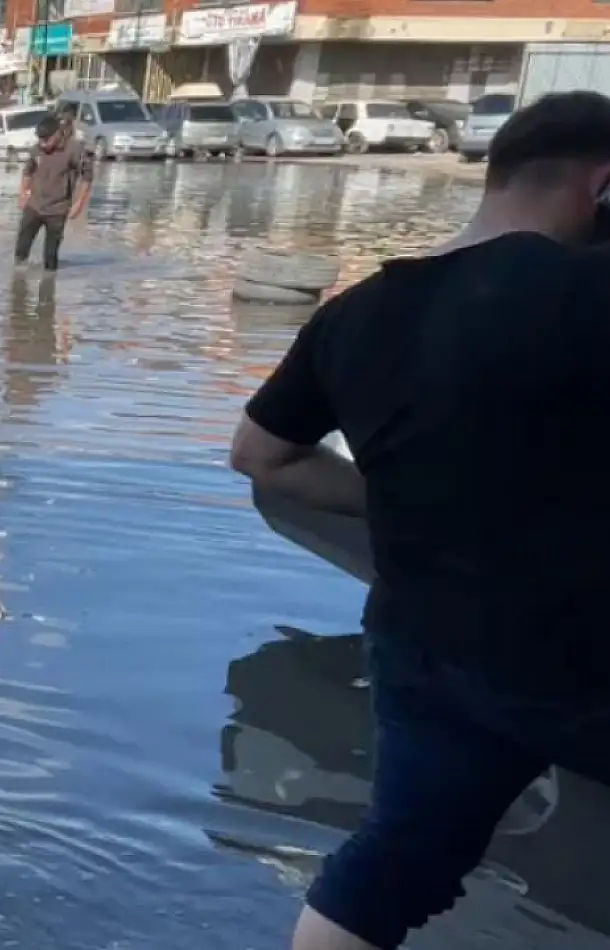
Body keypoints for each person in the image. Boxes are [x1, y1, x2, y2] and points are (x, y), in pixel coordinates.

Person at [228, 90, 610, 950]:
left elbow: (261, 454)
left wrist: (398, 492)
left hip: (427, 652)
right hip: (581, 659)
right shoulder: (589, 293)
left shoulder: (356, 313)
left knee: (395, 859)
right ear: (602, 189)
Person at [16, 115, 92, 270]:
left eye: (47, 139)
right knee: (21, 250)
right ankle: (18, 284)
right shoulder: (37, 150)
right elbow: (27, 172)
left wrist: (79, 203)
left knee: (50, 257)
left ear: (57, 134)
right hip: (34, 205)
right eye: (41, 140)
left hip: (57, 210)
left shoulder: (74, 150)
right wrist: (23, 193)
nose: (43, 144)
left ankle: (48, 288)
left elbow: (87, 176)